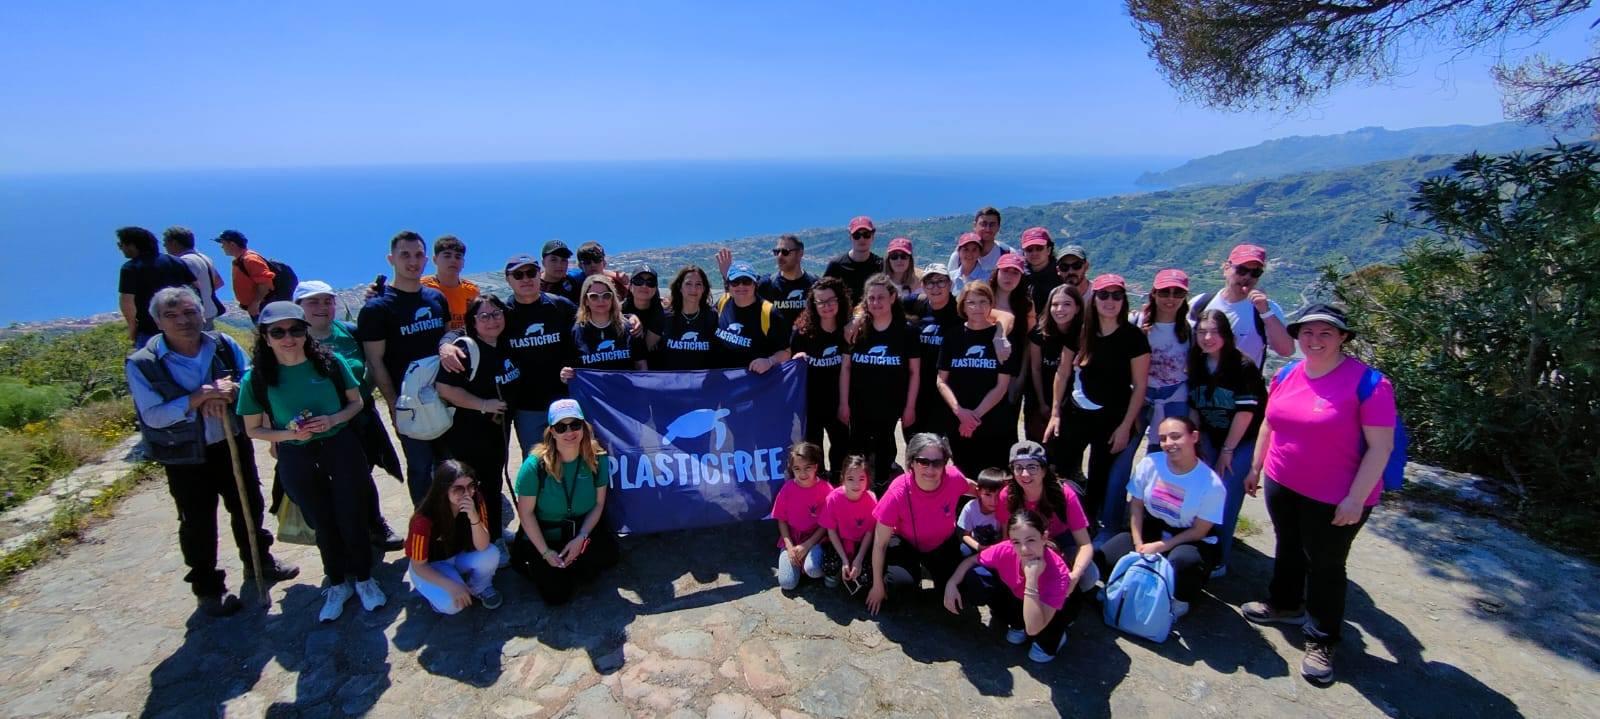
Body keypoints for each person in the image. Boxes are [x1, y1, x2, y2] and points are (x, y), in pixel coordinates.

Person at [1241, 304, 1396, 685]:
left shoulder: (1370, 384)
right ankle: (1284, 604)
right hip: (1283, 480)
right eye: (1308, 333)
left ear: (1343, 338)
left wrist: (1356, 498)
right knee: (1288, 545)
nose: (1315, 340)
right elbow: (1270, 422)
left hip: (1336, 495)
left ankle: (1322, 638)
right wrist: (1257, 466)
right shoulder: (1288, 373)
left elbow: (1380, 448)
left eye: (1326, 333)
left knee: (1326, 564)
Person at [126, 287, 297, 617]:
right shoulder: (143, 364)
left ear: (202, 313)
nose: (184, 321)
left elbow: (249, 377)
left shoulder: (221, 345)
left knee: (248, 502)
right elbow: (153, 415)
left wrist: (232, 390)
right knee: (197, 520)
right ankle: (208, 588)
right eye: (172, 315)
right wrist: (197, 398)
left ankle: (258, 562)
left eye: (190, 312)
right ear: (158, 321)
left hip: (230, 441)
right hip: (185, 454)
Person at [237, 301, 383, 622]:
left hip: (340, 445)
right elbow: (253, 429)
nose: (288, 338)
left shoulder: (331, 363)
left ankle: (364, 578)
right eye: (278, 332)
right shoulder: (257, 379)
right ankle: (337, 581)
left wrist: (332, 421)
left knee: (351, 512)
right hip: (295, 454)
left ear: (305, 331)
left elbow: (355, 403)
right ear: (265, 336)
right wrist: (287, 436)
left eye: (295, 329)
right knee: (321, 519)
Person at [294, 280, 403, 551]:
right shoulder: (291, 340)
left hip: (360, 414)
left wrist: (366, 390)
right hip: (319, 424)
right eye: (313, 302)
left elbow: (375, 362)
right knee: (332, 480)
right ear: (298, 308)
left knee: (363, 473)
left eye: (327, 301)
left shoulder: (350, 332)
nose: (322, 307)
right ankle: (342, 535)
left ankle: (374, 525)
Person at [1046, 274, 1149, 536]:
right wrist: (1055, 412)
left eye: (1116, 295)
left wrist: (1126, 426)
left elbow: (1139, 386)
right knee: (1059, 469)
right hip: (1074, 414)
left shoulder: (1133, 337)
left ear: (1124, 300)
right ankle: (1058, 523)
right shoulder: (1081, 332)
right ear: (1094, 299)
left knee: (1099, 476)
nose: (1109, 301)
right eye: (1103, 295)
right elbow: (1063, 372)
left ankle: (1087, 529)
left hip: (1112, 419)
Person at [1097, 415, 1226, 619]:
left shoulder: (1211, 484)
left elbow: (1199, 530)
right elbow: (1136, 507)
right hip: (1153, 526)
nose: (1168, 444)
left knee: (1184, 562)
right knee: (1105, 556)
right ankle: (1122, 586)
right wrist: (1139, 543)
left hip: (1191, 537)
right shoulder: (1150, 463)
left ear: (1194, 437)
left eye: (1175, 436)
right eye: (1163, 438)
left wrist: (1162, 546)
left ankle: (1179, 601)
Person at [357, 231, 451, 505]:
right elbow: (375, 361)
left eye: (419, 254)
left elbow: (447, 339)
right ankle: (427, 533)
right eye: (405, 255)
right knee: (421, 469)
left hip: (445, 398)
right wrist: (393, 404)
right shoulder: (377, 309)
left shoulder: (436, 299)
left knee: (450, 466)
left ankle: (457, 529)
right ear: (391, 259)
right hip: (409, 405)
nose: (413, 261)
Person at [453, 255, 577, 456]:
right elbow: (470, 328)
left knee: (571, 458)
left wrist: (630, 318)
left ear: (540, 275)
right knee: (536, 463)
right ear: (508, 279)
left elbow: (592, 321)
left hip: (564, 401)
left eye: (531, 273)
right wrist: (445, 345)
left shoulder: (561, 306)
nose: (525, 279)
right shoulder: (503, 313)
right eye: (518, 274)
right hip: (526, 407)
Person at [434, 294, 517, 566]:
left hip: (496, 432)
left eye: (496, 313)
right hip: (469, 434)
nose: (492, 320)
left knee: (491, 484)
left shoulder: (504, 343)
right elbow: (445, 389)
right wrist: (483, 404)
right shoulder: (465, 349)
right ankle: (476, 543)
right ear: (473, 321)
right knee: (472, 488)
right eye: (484, 316)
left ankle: (492, 535)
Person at [511, 399, 619, 605]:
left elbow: (598, 504)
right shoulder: (534, 466)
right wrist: (545, 552)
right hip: (548, 535)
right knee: (557, 597)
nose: (569, 432)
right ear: (551, 431)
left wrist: (581, 538)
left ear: (584, 426)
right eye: (561, 427)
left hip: (582, 530)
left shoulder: (598, 458)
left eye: (575, 425)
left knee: (595, 572)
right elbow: (526, 514)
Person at [944, 509, 1086, 663]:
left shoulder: (1058, 573)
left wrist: (1031, 578)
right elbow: (972, 560)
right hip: (1019, 597)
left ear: (1044, 537)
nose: (1024, 549)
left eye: (1031, 540)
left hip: (1055, 609)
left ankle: (1056, 636)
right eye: (1016, 542)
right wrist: (952, 583)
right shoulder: (1006, 549)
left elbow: (1033, 628)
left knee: (1039, 654)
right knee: (976, 577)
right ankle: (1017, 622)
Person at [1187, 310, 1265, 576]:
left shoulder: (1242, 366)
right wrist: (1195, 442)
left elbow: (1245, 413)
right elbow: (1194, 405)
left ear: (1226, 335)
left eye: (1214, 332)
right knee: (1202, 489)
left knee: (1226, 493)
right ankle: (1201, 545)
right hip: (1210, 434)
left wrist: (1227, 451)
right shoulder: (1198, 361)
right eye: (1201, 332)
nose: (1207, 338)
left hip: (1241, 439)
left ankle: (1220, 556)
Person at [865, 433, 975, 615]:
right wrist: (877, 586)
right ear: (911, 463)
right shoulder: (897, 493)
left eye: (937, 462)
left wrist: (1002, 497)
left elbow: (977, 490)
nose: (930, 469)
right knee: (899, 589)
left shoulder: (954, 478)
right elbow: (879, 543)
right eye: (923, 461)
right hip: (907, 544)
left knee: (964, 594)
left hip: (942, 545)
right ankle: (915, 573)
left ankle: (932, 575)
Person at [840, 274, 919, 491]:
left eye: (881, 297)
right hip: (859, 405)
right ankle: (857, 495)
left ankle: (883, 491)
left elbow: (914, 372)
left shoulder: (907, 330)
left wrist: (910, 406)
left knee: (885, 450)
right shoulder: (856, 329)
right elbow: (846, 368)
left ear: (893, 297)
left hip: (890, 406)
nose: (876, 302)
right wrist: (843, 403)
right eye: (871, 298)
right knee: (857, 451)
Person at [936, 281, 1020, 479]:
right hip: (959, 422)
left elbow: (1001, 386)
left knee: (995, 478)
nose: (977, 308)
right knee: (964, 476)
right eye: (971, 302)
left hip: (992, 422)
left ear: (991, 304)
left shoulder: (1000, 340)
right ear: (963, 306)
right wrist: (960, 412)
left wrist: (974, 418)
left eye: (983, 302)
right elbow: (941, 381)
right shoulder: (952, 336)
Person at [405, 460, 503, 614]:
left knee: (491, 554)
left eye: (471, 486)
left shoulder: (476, 499)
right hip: (432, 565)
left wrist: (473, 517)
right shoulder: (423, 520)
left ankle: (479, 587)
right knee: (452, 605)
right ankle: (444, 591)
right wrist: (452, 586)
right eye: (458, 489)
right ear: (443, 490)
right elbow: (419, 566)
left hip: (458, 556)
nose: (467, 493)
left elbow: (483, 546)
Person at [1189, 243, 1293, 369]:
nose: (1247, 277)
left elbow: (1286, 351)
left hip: (1243, 387)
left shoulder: (1268, 309)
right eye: (1242, 270)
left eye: (1255, 273)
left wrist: (1265, 312)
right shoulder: (1200, 303)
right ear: (1226, 268)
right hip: (1201, 385)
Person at [790, 276, 851, 475]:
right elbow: (789, 366)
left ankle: (839, 487)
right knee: (813, 452)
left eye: (831, 300)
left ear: (839, 300)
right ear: (813, 304)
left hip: (838, 402)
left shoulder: (848, 330)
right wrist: (795, 360)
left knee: (841, 449)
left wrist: (845, 404)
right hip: (811, 404)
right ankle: (818, 489)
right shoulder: (802, 333)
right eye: (821, 302)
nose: (827, 306)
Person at [995, 441, 1094, 554]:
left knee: (1090, 570)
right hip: (1024, 545)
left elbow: (1084, 544)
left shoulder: (1064, 493)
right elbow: (1008, 540)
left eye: (1032, 467)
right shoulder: (1007, 496)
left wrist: (1075, 572)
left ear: (1044, 471)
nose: (1025, 474)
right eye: (1018, 468)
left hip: (1063, 542)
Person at [1135, 269, 1192, 449]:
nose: (1171, 298)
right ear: (1154, 293)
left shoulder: (1191, 329)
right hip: (1140, 395)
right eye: (1165, 292)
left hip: (1175, 397)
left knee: (1167, 452)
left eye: (1178, 293)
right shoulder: (1136, 322)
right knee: (1123, 454)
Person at [904, 264, 961, 437]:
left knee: (940, 447)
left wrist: (1000, 334)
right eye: (930, 282)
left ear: (950, 284)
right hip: (918, 389)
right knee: (914, 442)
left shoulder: (961, 308)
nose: (935, 287)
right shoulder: (916, 304)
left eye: (941, 282)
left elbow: (995, 314)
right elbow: (879, 302)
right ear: (923, 286)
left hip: (947, 391)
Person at [118, 226, 196, 347]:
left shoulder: (130, 268)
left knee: (150, 363)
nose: (120, 248)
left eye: (121, 244)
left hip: (150, 329)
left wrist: (132, 328)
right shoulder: (176, 261)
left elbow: (127, 301)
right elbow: (194, 289)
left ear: (132, 245)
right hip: (182, 325)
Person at [717, 235, 816, 326]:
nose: (780, 256)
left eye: (785, 252)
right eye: (777, 252)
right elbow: (740, 298)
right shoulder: (766, 284)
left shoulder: (815, 284)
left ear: (800, 254)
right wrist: (728, 277)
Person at [771, 443, 832, 590]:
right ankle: (798, 564)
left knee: (813, 569)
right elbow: (782, 519)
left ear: (816, 466)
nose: (802, 474)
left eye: (807, 468)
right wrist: (790, 547)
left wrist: (807, 545)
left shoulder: (826, 490)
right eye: (797, 469)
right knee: (787, 583)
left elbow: (826, 525)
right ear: (791, 469)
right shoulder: (787, 489)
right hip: (792, 539)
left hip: (817, 540)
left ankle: (817, 568)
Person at [1028, 285, 1083, 445]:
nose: (1060, 309)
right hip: (1042, 391)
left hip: (1072, 398)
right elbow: (1035, 368)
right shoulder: (1039, 332)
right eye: (1055, 304)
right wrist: (1042, 402)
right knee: (1038, 442)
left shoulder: (1083, 334)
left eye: (1067, 304)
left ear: (1077, 308)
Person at [714, 262, 791, 373]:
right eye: (735, 282)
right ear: (728, 285)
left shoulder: (769, 312)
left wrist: (769, 361)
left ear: (755, 284)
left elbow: (786, 352)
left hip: (754, 382)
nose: (741, 286)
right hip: (723, 379)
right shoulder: (723, 301)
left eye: (746, 281)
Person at [563, 274, 646, 377]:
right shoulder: (576, 331)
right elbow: (569, 371)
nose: (601, 300)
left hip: (625, 391)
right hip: (593, 393)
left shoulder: (630, 327)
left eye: (606, 295)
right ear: (586, 301)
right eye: (593, 296)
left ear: (612, 298)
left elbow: (641, 365)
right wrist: (565, 376)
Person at [990, 253, 1034, 447]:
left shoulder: (1026, 305)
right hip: (982, 372)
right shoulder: (983, 299)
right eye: (1005, 271)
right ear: (996, 272)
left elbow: (1027, 345)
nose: (1009, 277)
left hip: (1012, 374)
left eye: (1015, 273)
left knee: (1006, 428)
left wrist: (1021, 378)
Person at [819, 454, 877, 593]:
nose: (856, 484)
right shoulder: (833, 498)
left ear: (867, 479)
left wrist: (859, 559)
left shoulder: (871, 499)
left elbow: (870, 532)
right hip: (840, 543)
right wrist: (844, 559)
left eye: (861, 479)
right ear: (843, 479)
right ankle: (841, 569)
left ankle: (851, 571)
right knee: (829, 567)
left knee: (865, 580)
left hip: (861, 545)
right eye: (850, 479)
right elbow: (831, 531)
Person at [656, 265, 720, 371]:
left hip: (702, 384)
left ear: (704, 288)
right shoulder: (665, 316)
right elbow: (647, 350)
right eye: (688, 284)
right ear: (680, 287)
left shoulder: (712, 317)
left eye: (698, 284)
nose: (693, 289)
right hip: (671, 383)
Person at [162, 226, 227, 329]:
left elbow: (181, 292)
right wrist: (206, 293)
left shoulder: (184, 262)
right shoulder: (204, 258)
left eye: (165, 242)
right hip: (209, 311)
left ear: (174, 243)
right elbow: (219, 282)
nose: (164, 245)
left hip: (193, 317)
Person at [213, 230, 277, 321]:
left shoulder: (250, 259)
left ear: (232, 244)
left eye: (223, 243)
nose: (222, 246)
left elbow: (265, 283)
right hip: (257, 308)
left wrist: (256, 303)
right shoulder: (240, 260)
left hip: (262, 308)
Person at [420, 235, 481, 331]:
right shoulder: (422, 287)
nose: (453, 260)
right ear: (435, 260)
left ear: (463, 262)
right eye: (447, 256)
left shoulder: (472, 291)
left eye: (458, 257)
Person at [824, 216, 885, 303]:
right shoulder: (836, 266)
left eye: (866, 234)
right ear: (850, 237)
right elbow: (823, 293)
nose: (862, 239)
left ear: (873, 237)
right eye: (857, 235)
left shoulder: (880, 265)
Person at [944, 206, 1013, 280]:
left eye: (992, 224)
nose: (987, 229)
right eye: (983, 224)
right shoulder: (958, 257)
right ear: (974, 225)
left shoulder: (1007, 253)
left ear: (998, 227)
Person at [957, 469, 1007, 559]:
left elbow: (1006, 537)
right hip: (978, 544)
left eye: (998, 495)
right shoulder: (970, 508)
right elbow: (965, 535)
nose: (993, 501)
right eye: (988, 495)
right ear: (979, 492)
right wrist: (980, 547)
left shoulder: (1006, 508)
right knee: (964, 550)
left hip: (999, 547)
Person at [621, 265, 665, 356]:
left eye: (650, 282)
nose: (644, 286)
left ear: (656, 289)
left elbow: (646, 348)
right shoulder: (619, 310)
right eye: (639, 281)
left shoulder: (663, 313)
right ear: (630, 286)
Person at [1019, 227, 1060, 317]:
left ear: (1049, 250)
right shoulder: (1018, 276)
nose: (1034, 253)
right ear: (1024, 253)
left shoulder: (1061, 274)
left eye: (1039, 248)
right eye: (1029, 249)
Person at [950, 232, 986, 297]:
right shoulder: (950, 278)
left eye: (974, 250)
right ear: (959, 252)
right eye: (965, 249)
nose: (970, 254)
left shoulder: (987, 279)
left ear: (979, 252)